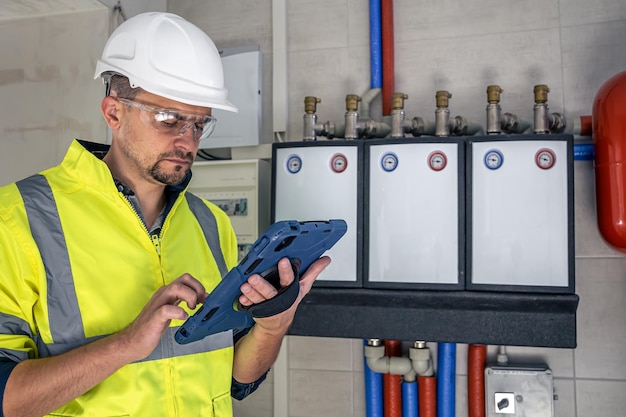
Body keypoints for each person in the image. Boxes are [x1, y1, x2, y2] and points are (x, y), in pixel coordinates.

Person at [0, 12, 330, 417]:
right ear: (114, 113)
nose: (186, 140)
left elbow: (234, 381)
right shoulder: (17, 219)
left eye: (199, 124)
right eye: (169, 119)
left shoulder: (211, 224)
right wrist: (126, 344)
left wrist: (272, 325)